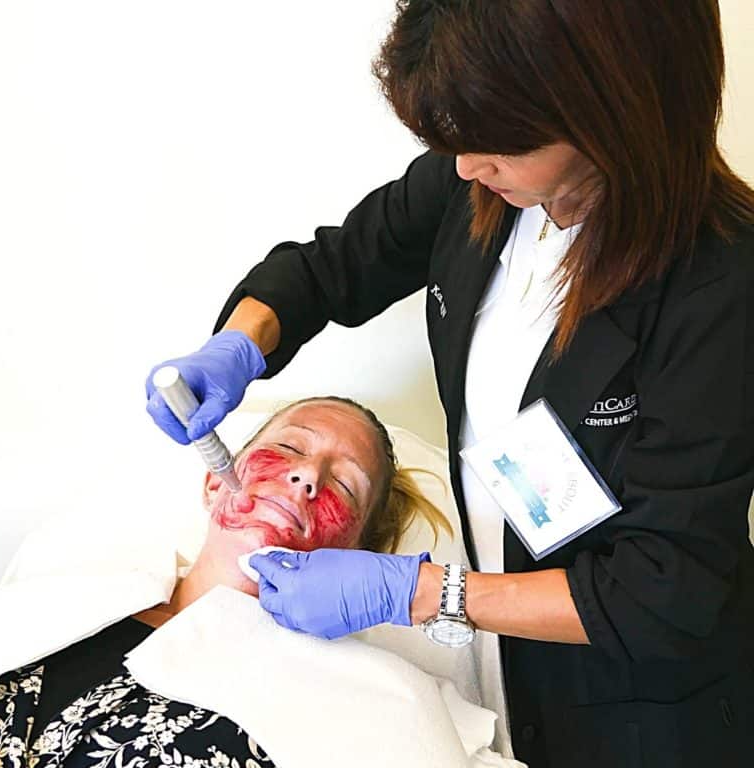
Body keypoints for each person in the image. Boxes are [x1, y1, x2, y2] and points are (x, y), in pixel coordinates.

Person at [145, 2, 754, 766]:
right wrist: (239, 343)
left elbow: (665, 588)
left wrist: (421, 592)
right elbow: (325, 271)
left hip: (648, 703)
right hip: (499, 653)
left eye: (497, 144)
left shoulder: (721, 284)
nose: (466, 167)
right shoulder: (477, 181)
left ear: (611, 112)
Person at [0, 396, 451, 768]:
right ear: (214, 484)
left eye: (345, 486)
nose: (307, 475)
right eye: (290, 448)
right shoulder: (53, 605)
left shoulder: (370, 704)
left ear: (353, 560)